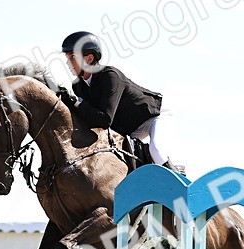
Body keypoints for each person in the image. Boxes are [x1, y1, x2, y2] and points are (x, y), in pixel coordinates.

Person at [58, 30, 169, 169]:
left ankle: (180, 184)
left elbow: (105, 119)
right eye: (68, 58)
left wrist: (76, 102)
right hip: (131, 128)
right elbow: (90, 117)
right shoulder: (78, 86)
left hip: (153, 116)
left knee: (156, 149)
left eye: (72, 57)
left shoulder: (109, 76)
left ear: (89, 59)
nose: (68, 63)